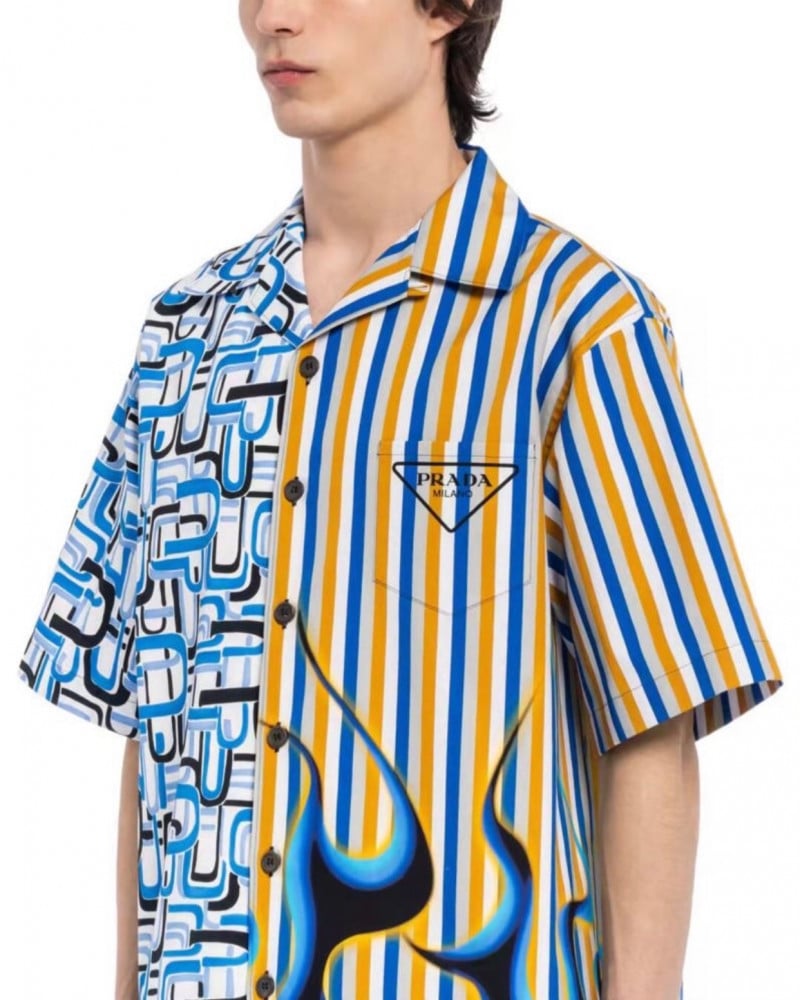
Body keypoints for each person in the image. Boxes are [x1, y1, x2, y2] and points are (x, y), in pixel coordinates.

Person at [17, 0, 784, 998]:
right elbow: (150, 720)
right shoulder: (184, 335)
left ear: (447, 9)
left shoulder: (577, 325)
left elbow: (652, 721)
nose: (273, 18)